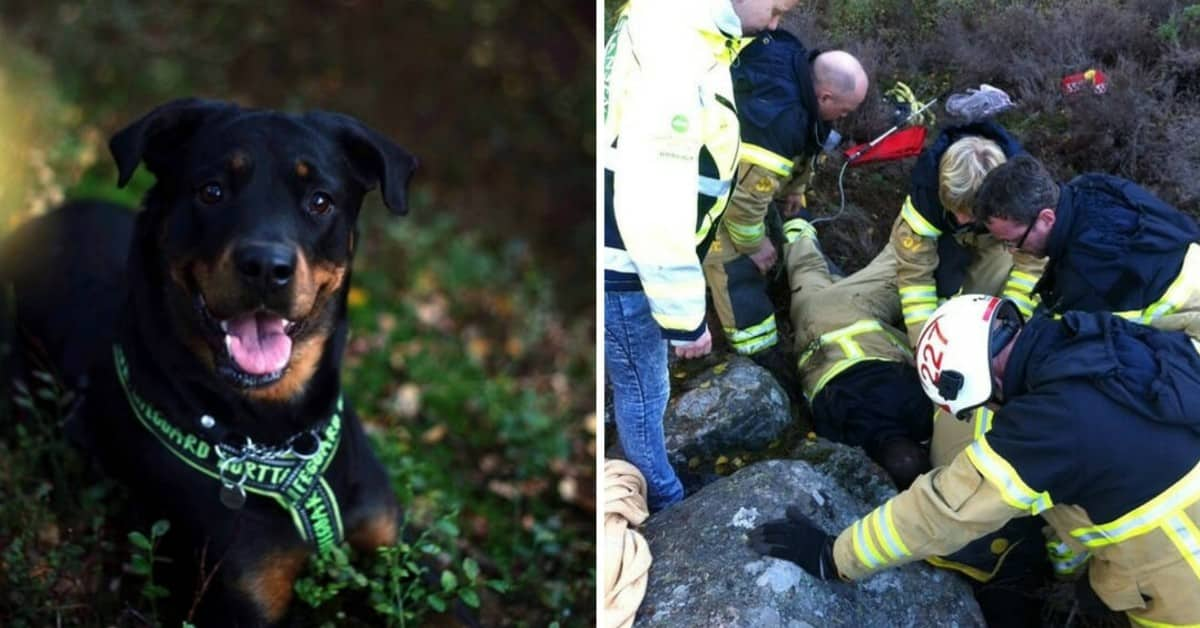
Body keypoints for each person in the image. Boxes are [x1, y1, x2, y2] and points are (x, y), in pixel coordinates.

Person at [749, 294, 1200, 627]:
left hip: (1182, 588)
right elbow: (1087, 501)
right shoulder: (1106, 336)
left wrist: (835, 555)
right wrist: (1070, 572)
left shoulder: (1044, 426)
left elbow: (942, 512)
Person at [603, 0, 798, 512]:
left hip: (625, 255)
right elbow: (655, 192)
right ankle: (665, 498)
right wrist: (684, 316)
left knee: (639, 382)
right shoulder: (677, 51)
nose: (775, 27)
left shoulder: (676, 20)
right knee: (644, 393)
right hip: (627, 265)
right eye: (777, 11)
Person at [702, 30, 867, 387]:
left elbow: (809, 135)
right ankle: (758, 354)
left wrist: (796, 187)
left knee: (771, 231)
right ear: (825, 95)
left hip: (742, 170)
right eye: (845, 109)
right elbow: (741, 203)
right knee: (734, 265)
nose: (845, 117)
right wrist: (753, 246)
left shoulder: (795, 62)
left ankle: (773, 284)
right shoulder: (779, 124)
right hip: (708, 186)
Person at [779, 216, 931, 488]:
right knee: (805, 273)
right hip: (808, 326)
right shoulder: (842, 440)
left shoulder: (917, 409)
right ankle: (796, 232)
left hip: (852, 311)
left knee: (902, 263)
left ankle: (920, 228)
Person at [974, 153, 1200, 324]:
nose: (1013, 251)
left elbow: (1085, 345)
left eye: (1014, 241)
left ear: (1046, 218)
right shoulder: (1090, 186)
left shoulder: (1085, 274)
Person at [891, 120, 1043, 347]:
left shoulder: (1025, 193)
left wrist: (1010, 326)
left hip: (995, 243)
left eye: (971, 213)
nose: (962, 219)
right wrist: (926, 344)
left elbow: (1033, 265)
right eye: (956, 210)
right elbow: (915, 279)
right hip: (936, 241)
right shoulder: (925, 196)